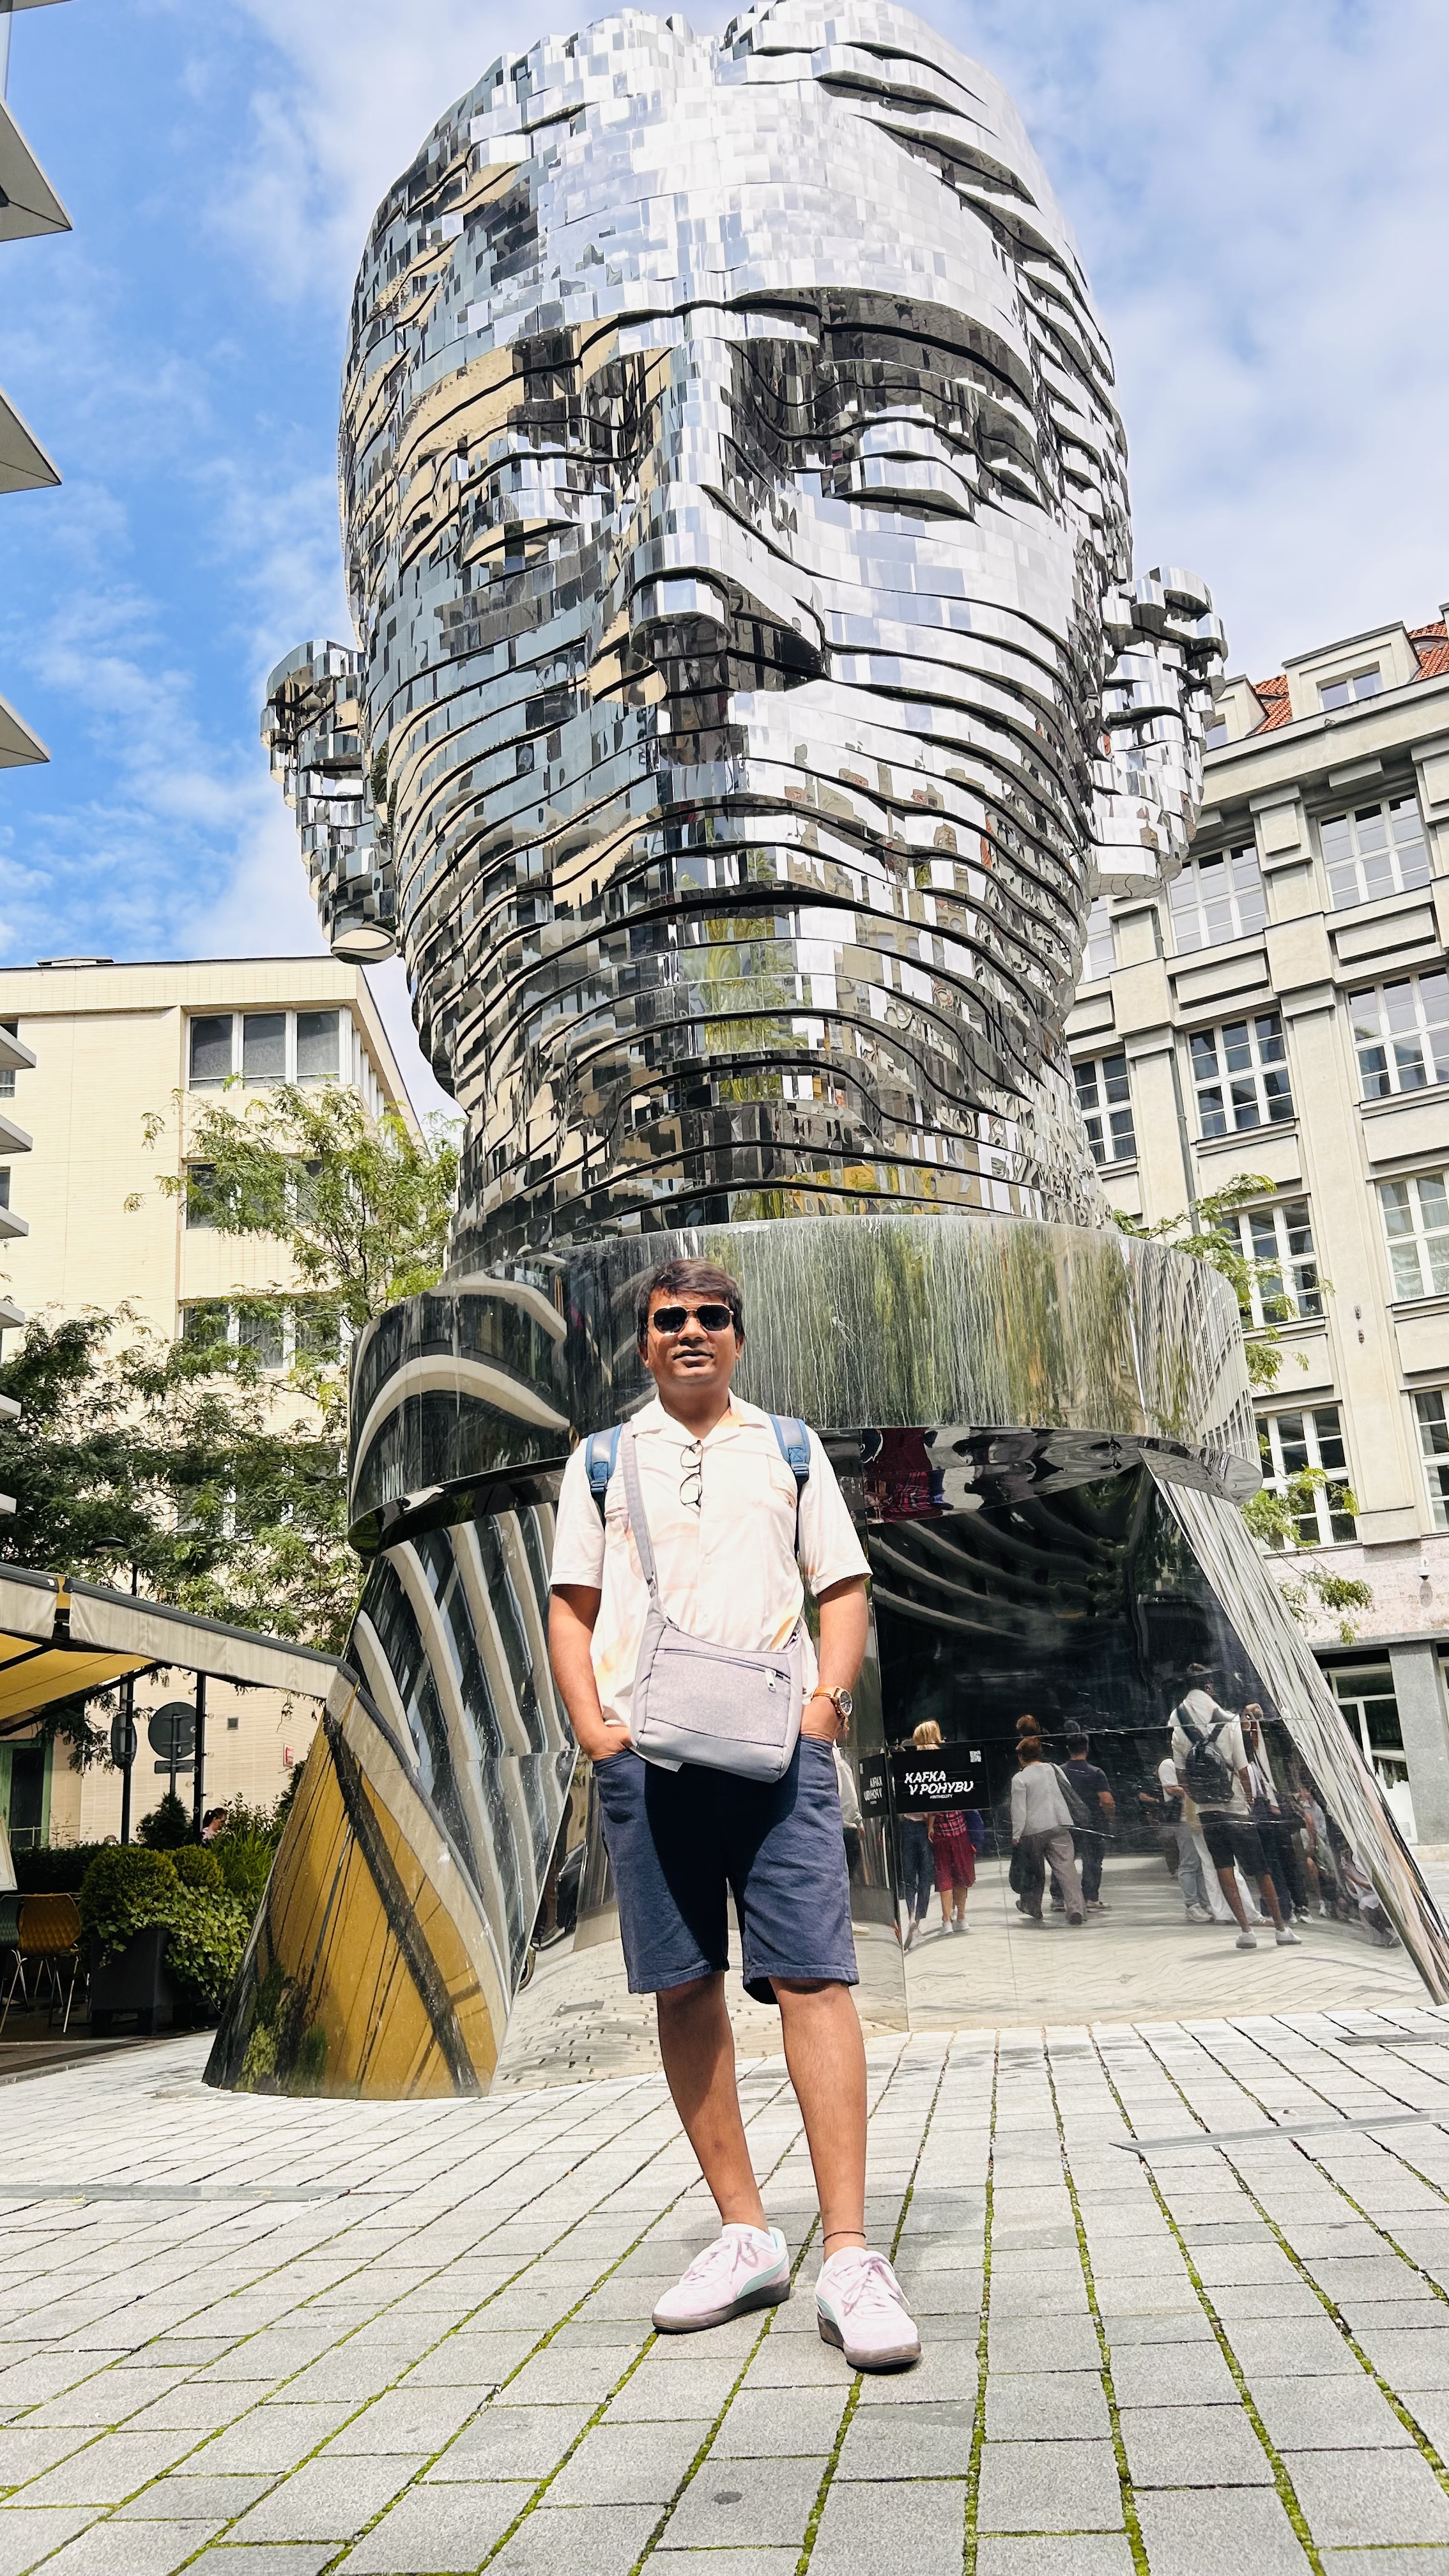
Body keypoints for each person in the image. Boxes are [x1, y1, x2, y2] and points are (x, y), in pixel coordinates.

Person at [549, 1258, 920, 2371]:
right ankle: (745, 2234)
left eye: (711, 1316)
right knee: (681, 1982)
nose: (691, 1331)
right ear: (645, 1342)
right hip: (648, 1754)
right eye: (670, 1319)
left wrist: (826, 1706)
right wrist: (594, 1730)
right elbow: (572, 1605)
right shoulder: (602, 1459)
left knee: (814, 1976)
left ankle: (847, 2252)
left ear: (738, 1337)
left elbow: (840, 1584)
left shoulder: (788, 1448)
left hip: (778, 1754)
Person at [1170, 1669, 1302, 1952]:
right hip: (1236, 1807)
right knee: (1260, 1869)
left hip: (1206, 1810)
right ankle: (1281, 1929)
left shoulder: (1178, 1726)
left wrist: (1200, 1796)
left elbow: (1182, 1776)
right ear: (1208, 1688)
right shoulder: (1228, 1721)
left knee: (1223, 1868)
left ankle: (1246, 1931)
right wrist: (1250, 1801)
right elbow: (1243, 1768)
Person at [910, 1722, 979, 1936]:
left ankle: (946, 1920)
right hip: (959, 1827)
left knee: (944, 1875)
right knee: (961, 1872)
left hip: (938, 1831)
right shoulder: (949, 1759)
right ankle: (962, 1918)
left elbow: (930, 1798)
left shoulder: (918, 1763)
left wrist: (930, 1823)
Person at [1009, 1740, 1086, 1926]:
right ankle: (1076, 1909)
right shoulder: (1054, 1769)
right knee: (1067, 1869)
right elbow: (1068, 1790)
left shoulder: (1020, 1778)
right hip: (1059, 1824)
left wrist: (1016, 1834)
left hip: (1033, 1830)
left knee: (1033, 1871)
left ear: (1021, 1757)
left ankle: (1032, 1907)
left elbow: (1019, 1809)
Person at [1150, 1752, 1213, 1920]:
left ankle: (1204, 1902)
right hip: (1183, 1819)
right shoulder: (1168, 1764)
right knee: (1189, 1863)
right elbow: (1170, 1788)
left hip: (1196, 1819)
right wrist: (1193, 1789)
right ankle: (1192, 1905)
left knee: (1200, 1863)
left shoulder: (1190, 1765)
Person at [1057, 1733, 1114, 1913]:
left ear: (1068, 1749)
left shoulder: (1059, 1773)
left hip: (1066, 1823)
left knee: (1063, 1861)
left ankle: (1059, 1898)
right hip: (1093, 1824)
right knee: (1092, 1861)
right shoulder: (1096, 1773)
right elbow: (1107, 1800)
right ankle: (1090, 1899)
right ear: (1087, 1748)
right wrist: (1109, 1818)